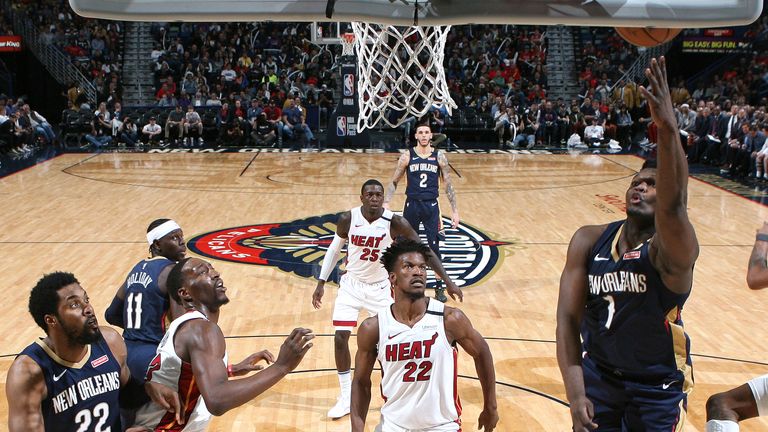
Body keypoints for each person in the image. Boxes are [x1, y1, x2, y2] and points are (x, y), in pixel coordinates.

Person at [556, 57, 699, 432]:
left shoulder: (671, 252)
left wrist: (668, 130)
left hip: (657, 387)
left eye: (652, 183)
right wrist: (575, 394)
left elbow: (674, 203)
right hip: (599, 377)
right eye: (637, 181)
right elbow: (567, 321)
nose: (641, 186)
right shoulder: (589, 239)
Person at [312, 179, 463, 420]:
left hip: (381, 288)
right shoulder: (348, 219)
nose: (374, 198)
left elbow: (423, 249)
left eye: (378, 195)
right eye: (369, 194)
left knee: (389, 343)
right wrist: (321, 282)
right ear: (361, 197)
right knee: (341, 337)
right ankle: (345, 397)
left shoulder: (395, 222)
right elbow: (334, 248)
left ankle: (393, 395)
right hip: (351, 284)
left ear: (383, 198)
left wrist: (447, 279)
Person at [133, 257, 314, 430]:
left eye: (212, 268)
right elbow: (217, 400)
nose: (215, 273)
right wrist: (282, 366)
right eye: (203, 272)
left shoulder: (187, 325)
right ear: (185, 293)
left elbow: (181, 374)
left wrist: (230, 370)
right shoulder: (201, 330)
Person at [350, 239, 498, 432]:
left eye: (422, 267)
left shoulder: (449, 319)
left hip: (442, 426)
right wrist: (357, 427)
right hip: (393, 426)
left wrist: (491, 406)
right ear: (393, 278)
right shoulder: (374, 328)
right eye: (408, 266)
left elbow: (482, 353)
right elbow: (361, 382)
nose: (418, 272)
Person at [6, 272, 181, 431]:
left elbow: (127, 394)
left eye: (86, 299)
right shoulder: (29, 372)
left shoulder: (110, 342)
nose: (88, 308)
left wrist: (149, 388)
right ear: (51, 320)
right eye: (74, 304)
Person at [383, 122, 460, 303]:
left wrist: (455, 211)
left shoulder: (439, 156)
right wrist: (386, 202)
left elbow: (448, 184)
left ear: (431, 135)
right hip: (412, 205)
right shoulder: (407, 156)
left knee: (434, 248)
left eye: (427, 132)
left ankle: (439, 289)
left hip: (431, 206)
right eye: (421, 132)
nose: (424, 135)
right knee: (402, 245)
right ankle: (394, 283)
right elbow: (394, 181)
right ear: (416, 136)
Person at [105, 219, 187, 383]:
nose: (182, 241)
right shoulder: (172, 272)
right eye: (174, 237)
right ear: (157, 244)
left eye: (181, 236)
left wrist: (140, 328)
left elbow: (111, 314)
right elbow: (181, 325)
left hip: (125, 354)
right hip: (154, 356)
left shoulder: (136, 269)